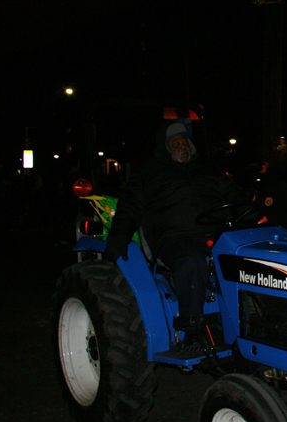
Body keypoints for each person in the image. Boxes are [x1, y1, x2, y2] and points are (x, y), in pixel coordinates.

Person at [105, 122, 251, 350]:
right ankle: (191, 329)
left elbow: (234, 195)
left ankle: (252, 327)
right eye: (175, 143)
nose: (182, 146)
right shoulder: (148, 173)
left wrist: (252, 212)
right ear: (165, 147)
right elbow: (129, 208)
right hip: (174, 238)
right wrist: (118, 237)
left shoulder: (207, 168)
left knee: (254, 257)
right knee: (191, 261)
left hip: (216, 233)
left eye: (185, 142)